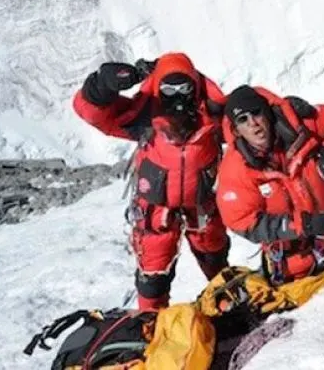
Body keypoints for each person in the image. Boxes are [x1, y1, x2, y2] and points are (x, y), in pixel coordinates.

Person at [72, 52, 230, 310]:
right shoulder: (143, 117)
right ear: (158, 88)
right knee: (153, 278)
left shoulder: (212, 117)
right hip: (156, 210)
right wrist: (100, 87)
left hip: (202, 206)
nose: (177, 95)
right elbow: (91, 113)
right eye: (169, 88)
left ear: (195, 86)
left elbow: (252, 120)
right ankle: (150, 323)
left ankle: (226, 307)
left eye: (184, 88)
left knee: (216, 260)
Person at [214, 85, 324, 284]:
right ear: (236, 130)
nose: (253, 124)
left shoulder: (298, 125)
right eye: (243, 120)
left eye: (256, 113)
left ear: (266, 112)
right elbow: (243, 222)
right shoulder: (235, 169)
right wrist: (304, 224)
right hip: (290, 248)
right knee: (304, 304)